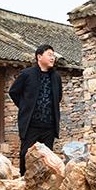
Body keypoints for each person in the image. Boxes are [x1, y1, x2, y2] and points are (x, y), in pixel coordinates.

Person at [9, 44, 62, 174]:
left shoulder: (56, 77)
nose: (52, 58)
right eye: (49, 54)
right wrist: (25, 108)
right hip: (31, 125)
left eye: (53, 55)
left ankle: (44, 187)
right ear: (39, 56)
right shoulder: (27, 74)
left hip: (49, 126)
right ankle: (24, 181)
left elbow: (58, 97)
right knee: (25, 155)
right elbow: (13, 92)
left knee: (47, 158)